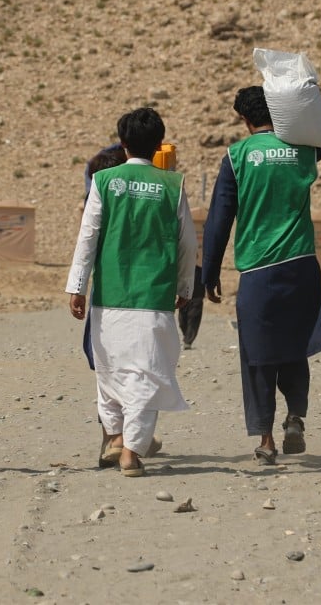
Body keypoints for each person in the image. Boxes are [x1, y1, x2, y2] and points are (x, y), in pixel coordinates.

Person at [202, 86, 321, 465]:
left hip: (258, 271)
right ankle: (295, 417)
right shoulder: (303, 148)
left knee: (259, 354)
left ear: (243, 119)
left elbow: (220, 218)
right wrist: (305, 96)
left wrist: (210, 270)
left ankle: (267, 439)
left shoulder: (237, 156)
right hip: (301, 266)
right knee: (295, 345)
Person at [66, 107, 196, 477]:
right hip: (154, 298)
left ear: (122, 145)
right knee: (147, 373)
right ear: (158, 145)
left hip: (110, 298)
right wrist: (185, 285)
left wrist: (77, 286)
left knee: (109, 372)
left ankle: (117, 437)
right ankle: (132, 453)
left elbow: (88, 235)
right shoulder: (173, 184)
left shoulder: (104, 181)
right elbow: (188, 244)